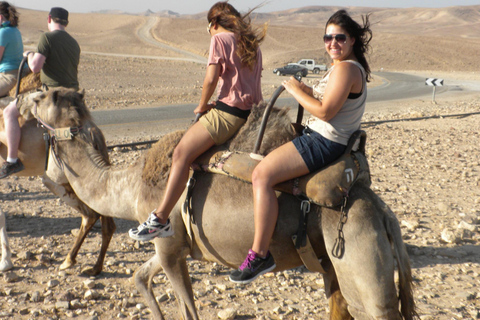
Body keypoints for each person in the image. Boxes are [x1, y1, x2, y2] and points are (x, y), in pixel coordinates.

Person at [229, 9, 373, 284]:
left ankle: (260, 255)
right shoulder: (348, 66)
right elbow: (328, 98)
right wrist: (304, 87)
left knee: (261, 175)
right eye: (327, 37)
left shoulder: (345, 69)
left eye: (339, 37)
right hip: (327, 139)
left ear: (352, 39)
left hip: (323, 141)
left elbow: (326, 111)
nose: (332, 42)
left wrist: (295, 91)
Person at [129, 1, 267, 241]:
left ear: (214, 23)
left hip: (227, 114)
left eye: (208, 29)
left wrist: (203, 105)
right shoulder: (251, 44)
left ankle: (160, 219)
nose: (209, 33)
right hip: (249, 113)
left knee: (180, 154)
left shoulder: (220, 39)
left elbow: (211, 79)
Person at [0, 7, 80, 179]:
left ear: (49, 18)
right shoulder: (74, 43)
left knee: (9, 112)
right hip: (72, 95)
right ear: (66, 23)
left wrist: (29, 54)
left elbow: (35, 66)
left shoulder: (47, 37)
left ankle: (12, 160)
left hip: (52, 94)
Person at [0, 2, 24, 97]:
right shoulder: (14, 30)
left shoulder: (3, 32)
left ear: (0, 17)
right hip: (18, 71)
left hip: (9, 76)